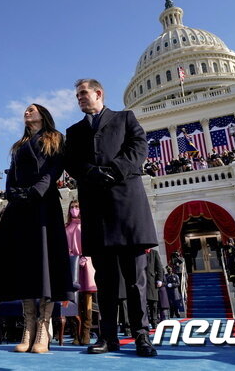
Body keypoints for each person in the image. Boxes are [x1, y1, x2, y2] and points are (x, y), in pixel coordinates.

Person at [65, 79, 158, 357]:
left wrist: (114, 170)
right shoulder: (75, 130)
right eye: (77, 95)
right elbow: (71, 161)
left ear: (98, 93)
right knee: (105, 281)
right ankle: (107, 337)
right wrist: (91, 173)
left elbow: (138, 148)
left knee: (135, 278)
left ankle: (141, 335)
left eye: (84, 93)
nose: (80, 98)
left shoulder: (125, 118)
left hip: (127, 206)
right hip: (97, 211)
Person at [0, 103, 74, 354]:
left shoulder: (56, 138)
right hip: (20, 207)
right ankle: (28, 326)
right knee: (24, 265)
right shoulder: (18, 145)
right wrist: (14, 193)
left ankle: (43, 327)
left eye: (32, 109)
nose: (27, 112)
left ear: (43, 114)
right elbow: (11, 173)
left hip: (43, 205)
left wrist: (37, 191)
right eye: (25, 109)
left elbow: (55, 168)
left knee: (44, 263)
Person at [65, 200, 97, 345]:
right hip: (72, 264)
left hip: (86, 263)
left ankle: (86, 333)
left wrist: (85, 257)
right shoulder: (66, 227)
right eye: (72, 207)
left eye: (77, 207)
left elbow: (90, 242)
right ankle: (76, 335)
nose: (74, 209)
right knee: (74, 300)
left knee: (87, 299)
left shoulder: (85, 225)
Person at [145, 248, 164, 328]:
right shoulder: (139, 252)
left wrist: (159, 280)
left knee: (153, 304)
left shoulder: (154, 253)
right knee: (143, 304)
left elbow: (159, 267)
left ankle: (154, 322)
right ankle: (145, 322)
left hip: (152, 282)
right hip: (141, 281)